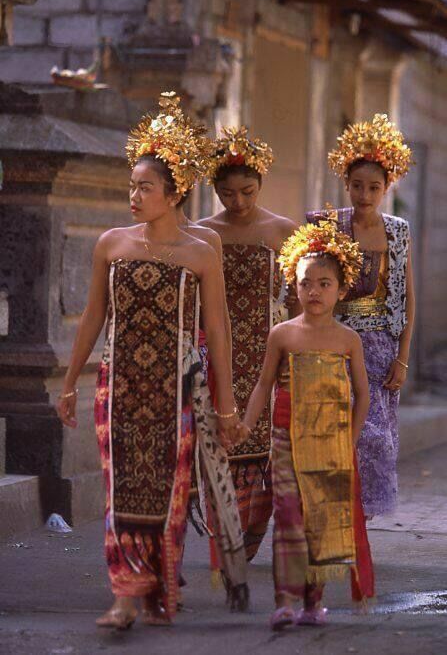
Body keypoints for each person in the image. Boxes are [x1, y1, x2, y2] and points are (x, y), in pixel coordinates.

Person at [57, 92, 248, 630]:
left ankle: (159, 584)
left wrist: (227, 405)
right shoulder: (112, 244)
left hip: (176, 389)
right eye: (132, 186)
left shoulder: (201, 251)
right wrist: (71, 382)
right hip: (117, 388)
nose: (134, 196)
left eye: (145, 187)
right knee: (121, 491)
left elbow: (218, 329)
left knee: (169, 491)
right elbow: (94, 316)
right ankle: (123, 594)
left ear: (174, 192)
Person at [238, 220, 374, 630]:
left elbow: (362, 395)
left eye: (324, 284)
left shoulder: (348, 340)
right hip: (285, 440)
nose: (314, 291)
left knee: (321, 520)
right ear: (293, 286)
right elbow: (264, 385)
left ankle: (314, 602)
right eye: (306, 283)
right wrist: (246, 425)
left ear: (342, 290)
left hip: (331, 444)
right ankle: (284, 601)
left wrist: (349, 441)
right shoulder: (282, 335)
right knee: (288, 516)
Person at [307, 114, 415, 517]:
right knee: (333, 423)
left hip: (380, 348)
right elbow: (307, 284)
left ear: (388, 188)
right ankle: (329, 506)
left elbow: (406, 298)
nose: (364, 194)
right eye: (356, 186)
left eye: (374, 187)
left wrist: (402, 356)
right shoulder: (327, 225)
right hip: (332, 341)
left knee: (374, 437)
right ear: (345, 185)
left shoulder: (397, 231)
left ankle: (360, 515)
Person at [199, 127, 299, 561]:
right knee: (220, 442)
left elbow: (299, 301)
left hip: (268, 356)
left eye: (247, 191)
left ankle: (249, 537)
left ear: (261, 183)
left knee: (265, 449)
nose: (237, 202)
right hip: (215, 358)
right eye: (226, 193)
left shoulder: (283, 231)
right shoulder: (201, 233)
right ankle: (226, 543)